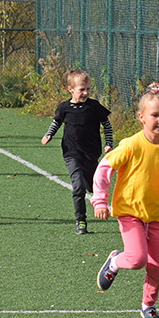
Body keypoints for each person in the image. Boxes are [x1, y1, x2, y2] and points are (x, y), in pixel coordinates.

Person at [93, 90, 159, 318]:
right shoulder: (131, 145)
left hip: (158, 215)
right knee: (137, 258)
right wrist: (100, 200)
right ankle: (116, 261)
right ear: (141, 117)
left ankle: (148, 305)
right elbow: (104, 168)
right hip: (130, 212)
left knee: (158, 267)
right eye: (155, 115)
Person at [41, 69, 113, 234]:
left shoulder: (94, 106)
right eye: (82, 89)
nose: (86, 92)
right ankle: (81, 221)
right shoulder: (64, 108)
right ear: (70, 89)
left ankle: (107, 206)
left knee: (95, 188)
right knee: (78, 187)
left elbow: (107, 125)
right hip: (71, 154)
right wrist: (49, 134)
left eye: (88, 89)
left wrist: (109, 143)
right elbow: (56, 122)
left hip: (91, 154)